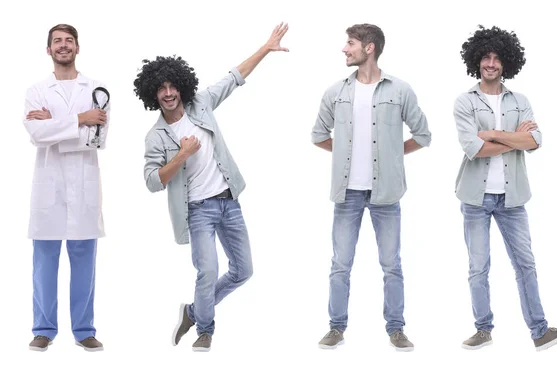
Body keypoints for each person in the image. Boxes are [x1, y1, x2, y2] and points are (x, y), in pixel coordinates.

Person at [136, 23, 289, 352]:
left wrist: (266, 47)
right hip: (198, 211)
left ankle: (192, 311)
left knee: (243, 270)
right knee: (208, 271)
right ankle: (205, 329)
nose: (167, 92)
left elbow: (234, 77)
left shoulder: (201, 104)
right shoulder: (156, 137)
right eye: (160, 88)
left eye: (171, 85)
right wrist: (182, 155)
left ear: (181, 86)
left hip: (229, 202)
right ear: (153, 94)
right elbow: (152, 182)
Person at [454, 25, 557, 351]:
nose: (491, 63)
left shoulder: (519, 100)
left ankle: (540, 332)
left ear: (506, 63)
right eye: (486, 57)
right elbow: (473, 148)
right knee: (478, 267)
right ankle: (483, 330)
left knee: (525, 264)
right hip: (475, 198)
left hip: (513, 198)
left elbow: (535, 141)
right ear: (476, 61)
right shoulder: (465, 102)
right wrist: (513, 139)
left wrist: (492, 135)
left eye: (497, 58)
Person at [311, 23, 431, 351]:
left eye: (349, 43)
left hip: (386, 193)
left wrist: (393, 155)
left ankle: (396, 329)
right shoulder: (335, 92)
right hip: (347, 193)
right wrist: (346, 155)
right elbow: (318, 135)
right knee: (340, 265)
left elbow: (423, 135)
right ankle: (336, 328)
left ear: (369, 48)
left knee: (391, 264)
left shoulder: (400, 90)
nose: (344, 49)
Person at [23, 23, 110, 352]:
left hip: (85, 187)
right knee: (44, 263)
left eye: (68, 41)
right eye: (57, 41)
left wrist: (53, 124)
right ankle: (43, 329)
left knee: (85, 262)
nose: (63, 45)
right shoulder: (36, 90)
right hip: (49, 189)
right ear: (49, 49)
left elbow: (97, 140)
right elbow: (36, 135)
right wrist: (79, 119)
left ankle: (84, 329)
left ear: (77, 47)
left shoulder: (97, 88)